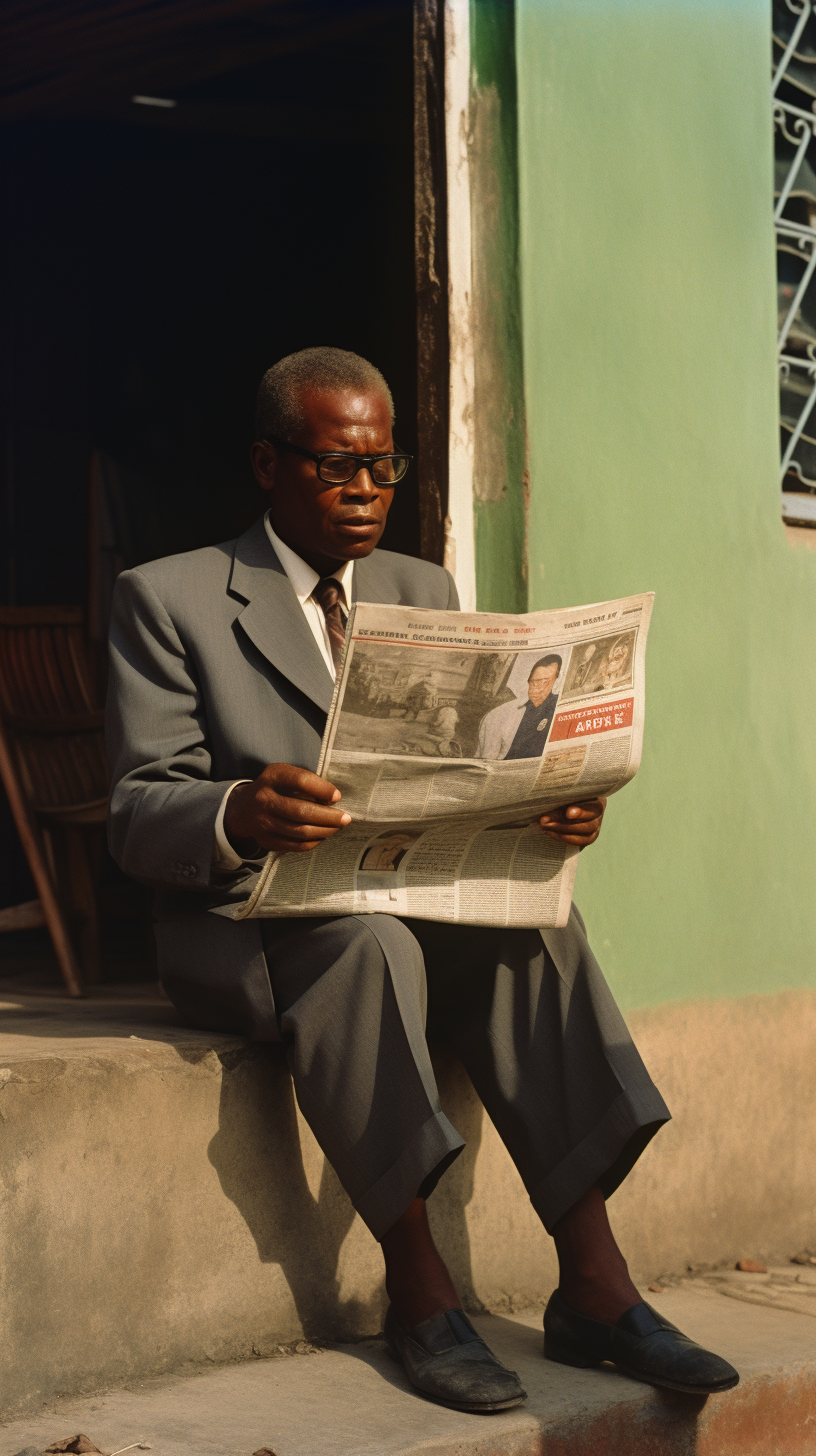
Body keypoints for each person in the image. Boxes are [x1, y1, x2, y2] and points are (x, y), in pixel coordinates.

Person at [106, 347, 738, 1414]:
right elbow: (133, 811)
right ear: (267, 465)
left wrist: (549, 811)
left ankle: (594, 1278)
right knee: (369, 944)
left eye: (385, 467)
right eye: (336, 467)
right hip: (252, 921)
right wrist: (238, 811)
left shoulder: (418, 586)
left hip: (396, 885)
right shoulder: (169, 598)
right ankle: (419, 1283)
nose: (366, 492)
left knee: (538, 926)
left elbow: (464, 763)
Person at [477, 656, 561, 760]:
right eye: (533, 682)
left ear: (556, 681)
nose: (537, 688)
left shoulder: (558, 705)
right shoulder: (499, 715)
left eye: (545, 682)